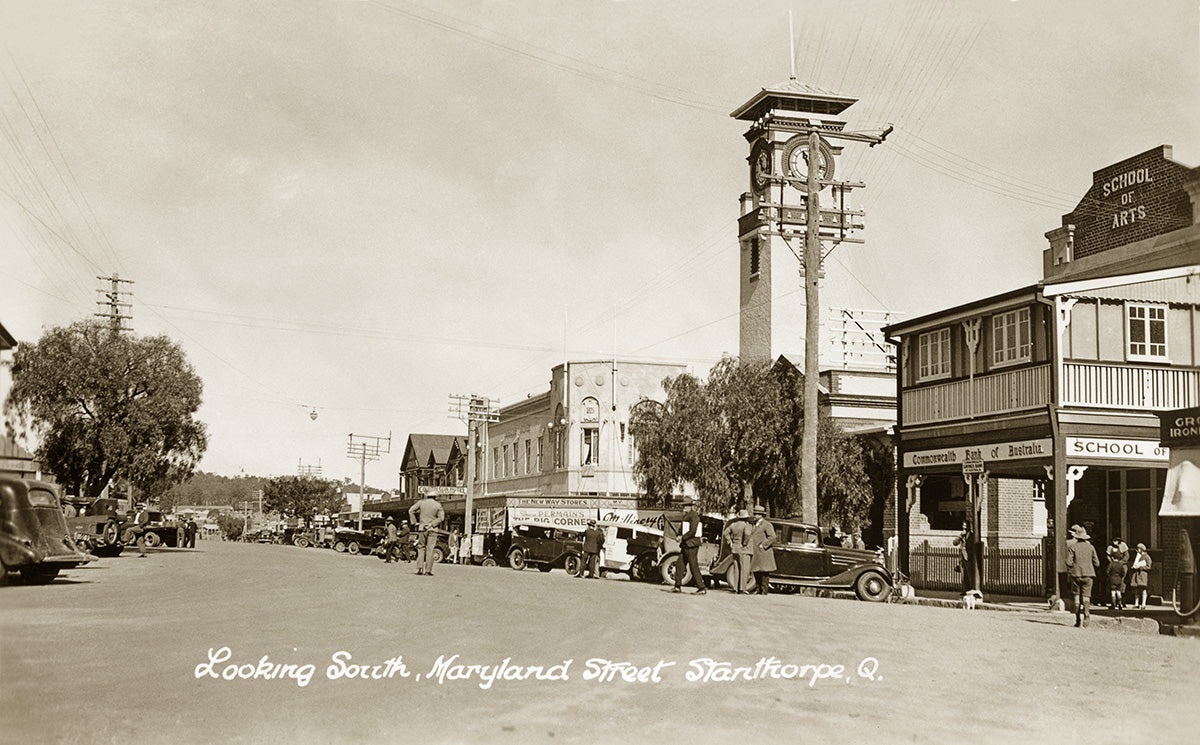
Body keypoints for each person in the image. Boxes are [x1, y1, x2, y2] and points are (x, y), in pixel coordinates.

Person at [1065, 524, 1100, 628]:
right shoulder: (1091, 547)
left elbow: (1069, 562)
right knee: (1086, 597)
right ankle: (1087, 615)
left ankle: (1077, 620)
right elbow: (1097, 563)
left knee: (1076, 597)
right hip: (1089, 574)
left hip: (1076, 574)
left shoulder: (1073, 547)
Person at [672, 494, 706, 595]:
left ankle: (701, 587)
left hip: (691, 545)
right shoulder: (687, 516)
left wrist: (682, 537)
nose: (684, 508)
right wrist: (679, 535)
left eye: (686, 506)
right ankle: (677, 586)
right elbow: (682, 530)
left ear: (690, 506)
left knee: (693, 566)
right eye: (684, 506)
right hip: (686, 544)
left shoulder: (694, 516)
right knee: (679, 564)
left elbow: (693, 531)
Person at [408, 492, 445, 576]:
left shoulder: (421, 502)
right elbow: (441, 518)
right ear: (435, 496)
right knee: (430, 549)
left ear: (427, 496)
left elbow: (411, 510)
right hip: (433, 529)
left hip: (422, 528)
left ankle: (420, 569)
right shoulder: (438, 505)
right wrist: (432, 524)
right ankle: (428, 570)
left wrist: (414, 522)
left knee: (421, 548)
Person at [723, 509, 753, 594]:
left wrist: (730, 542)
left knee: (737, 568)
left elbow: (726, 533)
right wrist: (744, 543)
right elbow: (747, 534)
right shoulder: (747, 525)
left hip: (735, 548)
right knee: (745, 569)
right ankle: (742, 588)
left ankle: (735, 588)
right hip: (743, 549)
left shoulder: (733, 525)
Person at [748, 506, 776, 595]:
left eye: (757, 514)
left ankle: (764, 590)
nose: (755, 515)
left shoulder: (767, 524)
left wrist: (763, 545)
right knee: (756, 571)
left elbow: (772, 536)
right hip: (756, 552)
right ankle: (758, 588)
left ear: (761, 515)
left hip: (763, 552)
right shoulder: (755, 524)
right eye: (755, 514)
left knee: (764, 572)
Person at [952, 521, 974, 593]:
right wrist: (960, 536)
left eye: (965, 525)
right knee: (963, 576)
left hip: (968, 557)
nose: (964, 527)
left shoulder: (971, 535)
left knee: (970, 575)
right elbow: (954, 543)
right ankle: (964, 590)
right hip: (962, 558)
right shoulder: (962, 535)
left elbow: (971, 545)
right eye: (963, 525)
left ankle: (971, 590)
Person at [1106, 537, 1128, 610]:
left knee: (1122, 584)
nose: (1115, 542)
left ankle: (1122, 602)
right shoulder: (1110, 547)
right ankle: (1116, 603)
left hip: (1121, 566)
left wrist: (1120, 563)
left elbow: (1126, 556)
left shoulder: (1123, 546)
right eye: (1113, 540)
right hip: (1114, 566)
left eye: (1116, 540)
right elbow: (1108, 556)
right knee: (1114, 587)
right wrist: (1112, 562)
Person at [1130, 543, 1152, 610]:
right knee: (1136, 589)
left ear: (1142, 549)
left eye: (1138, 548)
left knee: (1143, 589)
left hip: (1142, 574)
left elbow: (1149, 566)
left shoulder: (1147, 557)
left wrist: (1141, 567)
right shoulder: (1138, 556)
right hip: (1136, 574)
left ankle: (1143, 604)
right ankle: (1136, 603)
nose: (1137, 550)